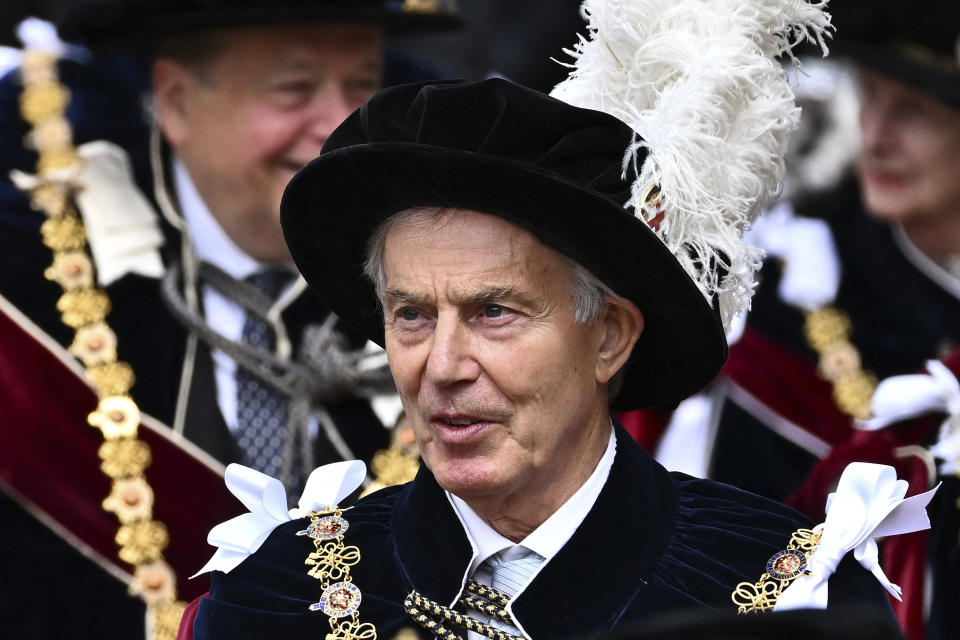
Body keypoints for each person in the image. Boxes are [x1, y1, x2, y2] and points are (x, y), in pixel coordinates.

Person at [182, 2, 918, 637]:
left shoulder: (788, 597)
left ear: (610, 336)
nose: (441, 365)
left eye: (494, 312)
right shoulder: (276, 600)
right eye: (411, 314)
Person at [0, 2, 459, 638]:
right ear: (177, 102)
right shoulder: (28, 278)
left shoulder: (453, 269)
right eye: (293, 89)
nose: (338, 123)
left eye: (360, 85)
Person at [627, 2, 960, 638]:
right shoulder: (788, 304)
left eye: (913, 110)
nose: (877, 135)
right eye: (871, 98)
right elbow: (731, 572)